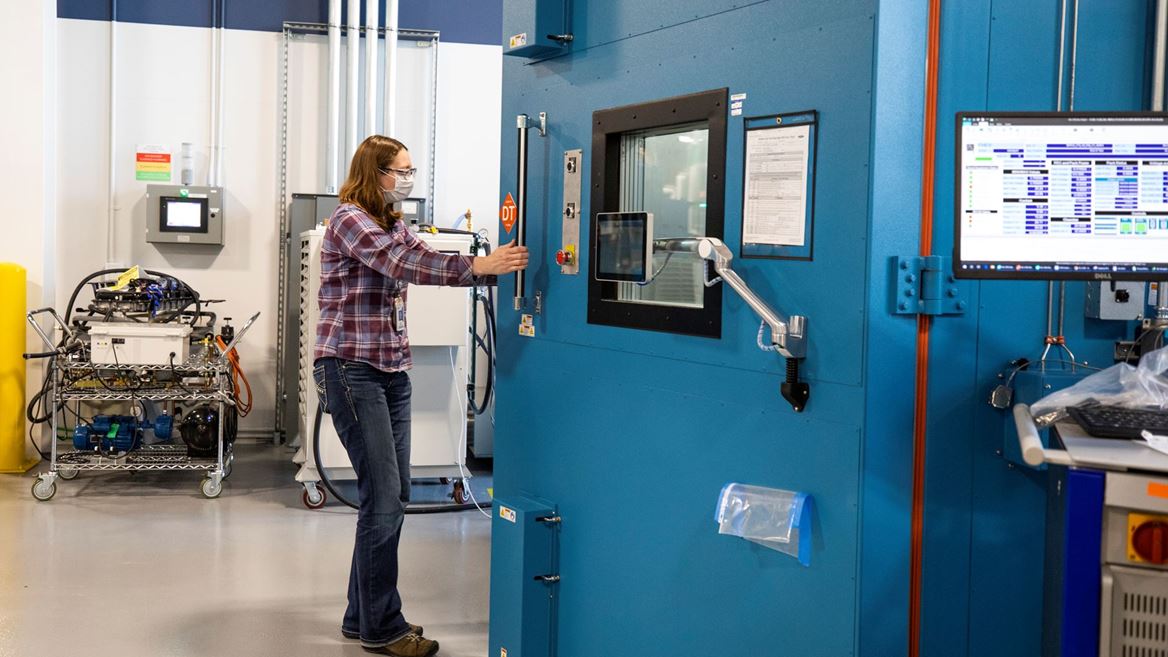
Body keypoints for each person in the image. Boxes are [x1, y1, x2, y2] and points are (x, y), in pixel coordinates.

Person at [313, 135, 528, 656]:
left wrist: (496, 273)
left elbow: (423, 254)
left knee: (389, 498)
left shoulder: (393, 222)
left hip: (390, 369)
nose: (408, 179)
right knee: (384, 500)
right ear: (375, 171)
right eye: (401, 171)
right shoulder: (350, 220)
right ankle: (382, 629)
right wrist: (479, 268)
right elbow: (402, 265)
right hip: (350, 369)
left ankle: (357, 614)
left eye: (412, 170)